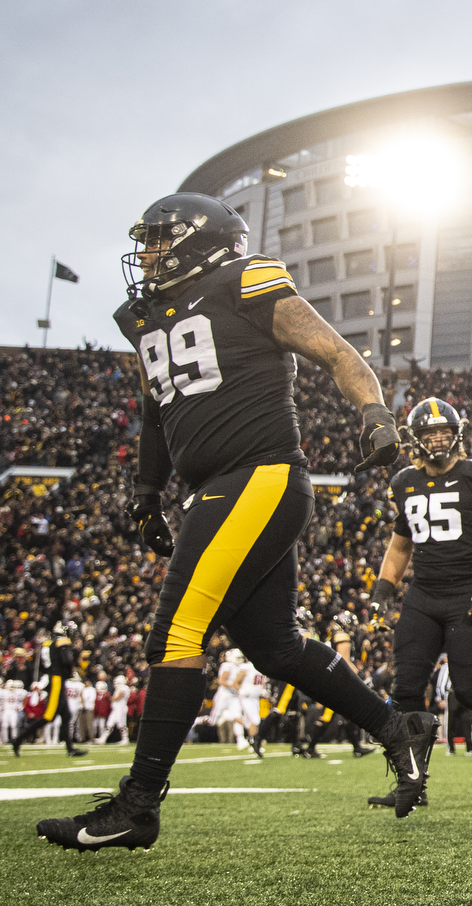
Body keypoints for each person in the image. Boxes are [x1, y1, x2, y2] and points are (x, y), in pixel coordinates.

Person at [36, 194, 437, 852]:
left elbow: (336, 353)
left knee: (177, 633)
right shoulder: (143, 317)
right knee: (274, 648)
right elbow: (157, 412)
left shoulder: (243, 281)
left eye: (163, 240)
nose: (151, 253)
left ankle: (138, 806)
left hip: (260, 475)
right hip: (217, 489)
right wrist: (146, 491)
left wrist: (375, 416)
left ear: (200, 241)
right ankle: (397, 729)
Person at [366, 396, 472, 807]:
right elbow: (400, 546)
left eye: (443, 432)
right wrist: (383, 590)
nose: (437, 439)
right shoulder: (404, 481)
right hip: (422, 595)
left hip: (467, 594)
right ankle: (411, 782)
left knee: (471, 691)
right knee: (406, 692)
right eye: (429, 433)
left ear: (457, 435)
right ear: (415, 439)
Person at [11, 627, 85, 758]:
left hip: (54, 678)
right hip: (57, 679)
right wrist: (69, 670)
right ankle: (18, 740)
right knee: (49, 716)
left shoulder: (48, 643)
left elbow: (42, 665)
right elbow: (66, 659)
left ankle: (70, 749)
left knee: (66, 716)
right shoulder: (62, 641)